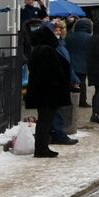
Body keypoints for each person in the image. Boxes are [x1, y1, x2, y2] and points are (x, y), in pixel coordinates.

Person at [24, 23, 73, 158]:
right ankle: (41, 148)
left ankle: (42, 147)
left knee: (44, 120)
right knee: (46, 121)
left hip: (42, 92)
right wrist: (60, 82)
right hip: (48, 93)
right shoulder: (47, 50)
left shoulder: (38, 50)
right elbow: (52, 72)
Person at [65, 18, 94, 110]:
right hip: (84, 62)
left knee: (71, 82)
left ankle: (70, 99)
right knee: (82, 82)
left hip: (71, 62)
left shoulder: (69, 36)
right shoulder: (90, 37)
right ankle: (82, 101)